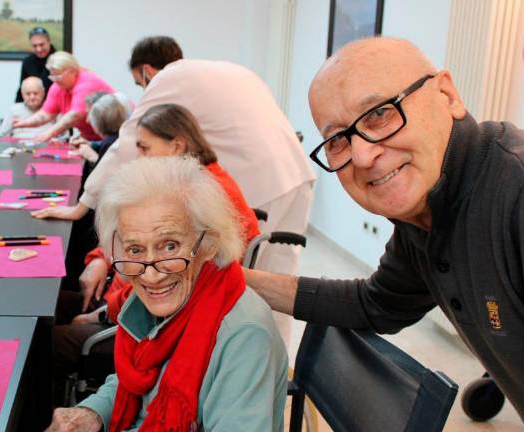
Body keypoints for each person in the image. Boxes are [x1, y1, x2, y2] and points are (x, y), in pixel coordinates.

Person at [244, 37, 524, 431]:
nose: (364, 156)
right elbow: (375, 304)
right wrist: (238, 281)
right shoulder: (423, 219)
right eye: (338, 140)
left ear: (447, 95)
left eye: (380, 114)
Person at [32, 36, 315, 346]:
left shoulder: (172, 85)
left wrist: (81, 206)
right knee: (273, 290)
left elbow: (124, 146)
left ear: (147, 72)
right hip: (293, 171)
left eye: (141, 84)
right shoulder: (218, 72)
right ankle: (271, 366)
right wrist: (103, 256)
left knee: (259, 290)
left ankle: (257, 368)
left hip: (259, 184)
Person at [46, 156, 288, 431]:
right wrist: (93, 412)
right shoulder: (163, 297)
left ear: (208, 243)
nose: (151, 274)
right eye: (135, 250)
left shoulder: (244, 335)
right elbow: (136, 379)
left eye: (170, 246)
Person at [52, 105, 262, 404]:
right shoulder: (180, 190)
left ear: (177, 145)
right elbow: (136, 233)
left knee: (44, 341)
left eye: (145, 148)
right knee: (49, 307)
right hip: (127, 299)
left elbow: (171, 282)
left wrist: (100, 313)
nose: (140, 158)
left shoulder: (200, 195)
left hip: (144, 315)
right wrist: (101, 256)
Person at [12, 51, 114, 143]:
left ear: (71, 71)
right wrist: (24, 123)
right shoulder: (57, 87)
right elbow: (45, 114)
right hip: (92, 138)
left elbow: (74, 116)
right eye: (52, 76)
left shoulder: (86, 82)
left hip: (112, 136)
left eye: (58, 76)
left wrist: (48, 134)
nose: (54, 80)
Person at [15, 26, 56, 103]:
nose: (38, 49)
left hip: (55, 106)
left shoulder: (59, 59)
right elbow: (22, 89)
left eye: (41, 45)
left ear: (49, 42)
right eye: (35, 46)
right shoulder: (27, 62)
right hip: (32, 106)